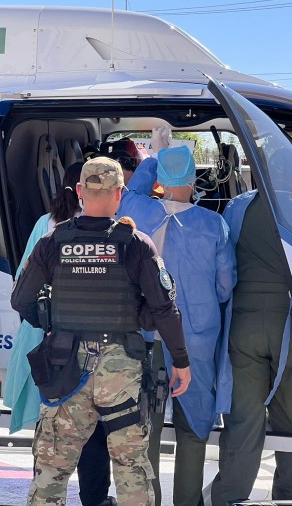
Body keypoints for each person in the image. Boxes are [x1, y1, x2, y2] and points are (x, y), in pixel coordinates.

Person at [11, 157, 192, 506]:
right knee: (130, 466)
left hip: (66, 366)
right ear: (119, 193)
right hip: (121, 370)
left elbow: (21, 300)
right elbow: (163, 309)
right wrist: (181, 361)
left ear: (80, 191)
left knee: (52, 469)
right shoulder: (136, 244)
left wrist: (52, 324)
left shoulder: (53, 241)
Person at [118, 145, 235, 506]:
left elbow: (131, 191)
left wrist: (155, 158)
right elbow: (225, 286)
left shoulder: (138, 210)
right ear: (193, 179)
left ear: (161, 180)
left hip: (147, 336)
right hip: (195, 339)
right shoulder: (214, 224)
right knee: (194, 426)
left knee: (146, 426)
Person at [210, 184, 292, 506]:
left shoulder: (237, 207)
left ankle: (229, 496)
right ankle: (290, 494)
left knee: (243, 418)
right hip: (290, 324)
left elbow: (223, 265)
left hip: (243, 323)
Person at [6, 161, 118, 506]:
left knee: (52, 427)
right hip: (93, 345)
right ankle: (95, 499)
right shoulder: (112, 231)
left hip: (50, 342)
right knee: (93, 429)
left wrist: (45, 324)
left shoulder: (47, 225)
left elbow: (21, 286)